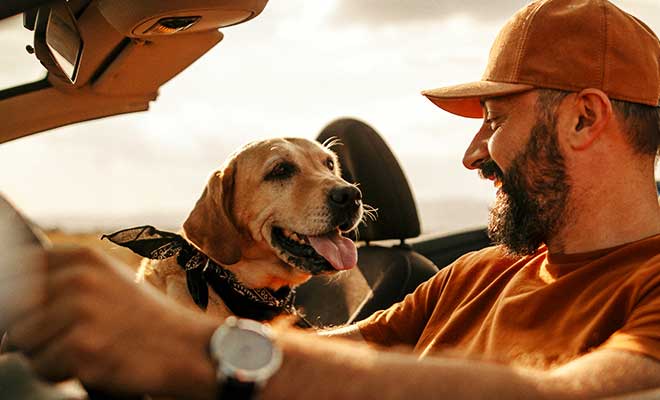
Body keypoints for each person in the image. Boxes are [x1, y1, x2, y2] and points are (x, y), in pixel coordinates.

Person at [3, 0, 660, 398]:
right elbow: (340, 350)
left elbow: (568, 397)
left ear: (582, 120)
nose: (472, 153)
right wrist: (152, 330)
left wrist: (199, 355)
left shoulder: (650, 286)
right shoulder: (477, 273)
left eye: (493, 120)